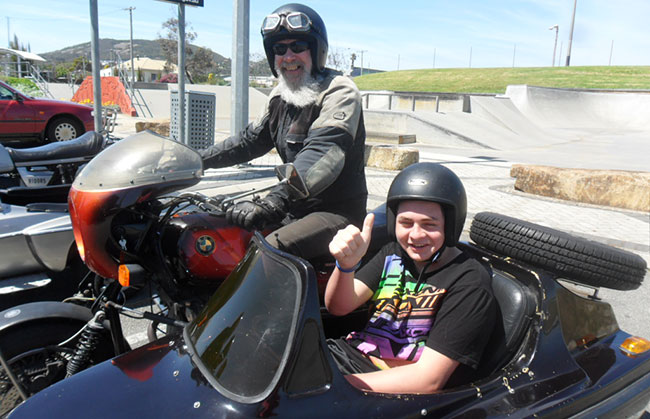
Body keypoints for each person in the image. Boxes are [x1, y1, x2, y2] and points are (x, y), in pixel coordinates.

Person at [200, 3, 367, 261]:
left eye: (298, 47)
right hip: (294, 206)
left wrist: (272, 200)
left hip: (335, 212)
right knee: (215, 233)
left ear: (316, 50)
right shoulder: (280, 95)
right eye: (279, 49)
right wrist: (196, 160)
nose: (288, 57)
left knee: (269, 251)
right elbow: (248, 142)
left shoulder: (339, 91)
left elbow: (321, 156)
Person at [325, 162, 497, 393]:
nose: (415, 235)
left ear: (451, 225)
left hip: (377, 386)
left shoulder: (469, 281)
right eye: (405, 223)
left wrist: (334, 388)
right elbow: (339, 307)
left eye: (430, 224)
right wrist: (346, 266)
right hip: (343, 359)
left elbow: (428, 380)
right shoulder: (393, 253)